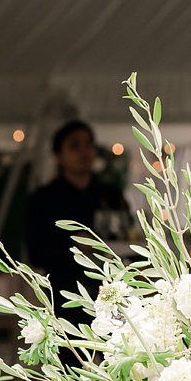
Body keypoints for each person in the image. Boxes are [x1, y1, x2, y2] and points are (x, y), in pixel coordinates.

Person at [25, 120, 125, 314]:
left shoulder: (111, 195)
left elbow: (126, 233)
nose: (84, 152)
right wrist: (75, 246)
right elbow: (36, 254)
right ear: (58, 155)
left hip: (110, 290)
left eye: (88, 144)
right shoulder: (43, 199)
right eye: (74, 146)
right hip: (64, 294)